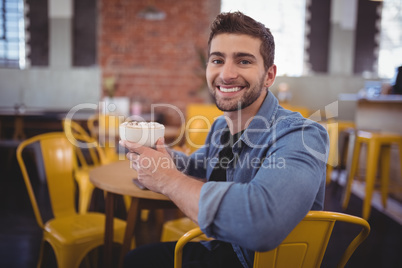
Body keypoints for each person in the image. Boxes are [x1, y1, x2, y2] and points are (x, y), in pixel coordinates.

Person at [120, 11, 329, 268]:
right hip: (222, 248)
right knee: (136, 259)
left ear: (269, 76)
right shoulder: (221, 126)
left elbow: (262, 223)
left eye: (243, 62)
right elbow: (198, 167)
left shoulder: (301, 134)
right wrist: (154, 152)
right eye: (217, 60)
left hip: (259, 262)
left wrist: (168, 181)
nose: (226, 74)